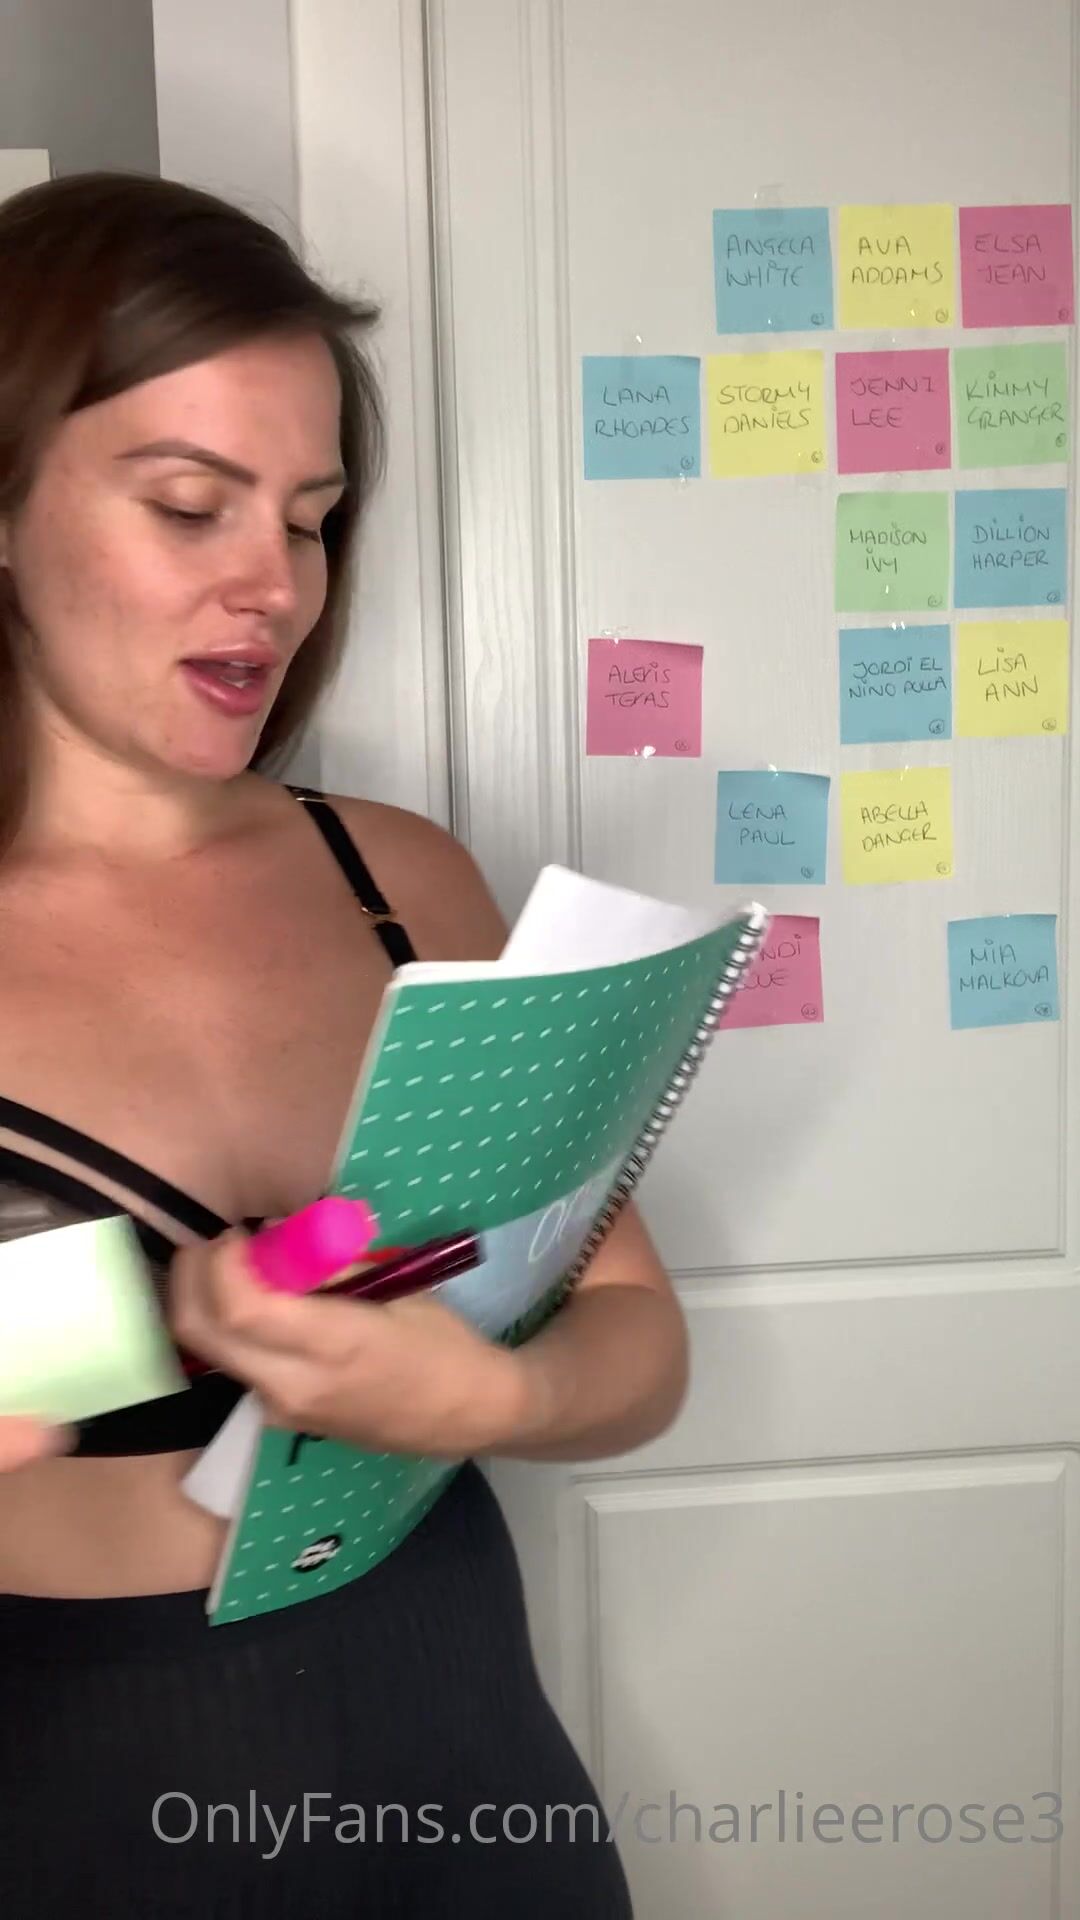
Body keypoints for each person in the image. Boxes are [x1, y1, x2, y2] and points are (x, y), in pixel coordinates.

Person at [0, 171, 689, 1916]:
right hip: (76, 1789)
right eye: (190, 505)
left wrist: (500, 1395)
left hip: (456, 1723)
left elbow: (634, 1334)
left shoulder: (401, 881)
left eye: (309, 520)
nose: (274, 587)